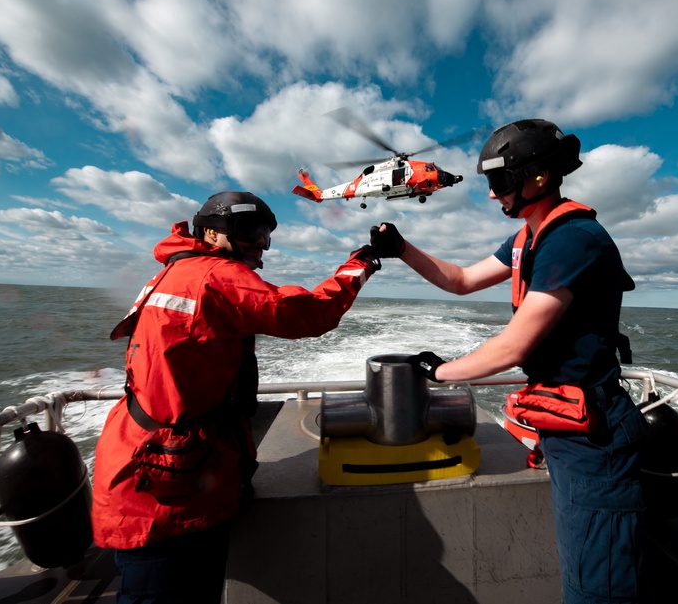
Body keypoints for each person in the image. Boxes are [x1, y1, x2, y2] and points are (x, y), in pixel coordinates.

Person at [370, 119, 645, 603]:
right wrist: (401, 249)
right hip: (564, 423)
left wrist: (440, 371)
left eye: (499, 182)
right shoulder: (527, 238)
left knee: (595, 588)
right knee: (583, 572)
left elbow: (516, 346)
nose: (493, 195)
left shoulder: (573, 237)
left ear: (538, 177)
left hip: (594, 435)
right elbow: (460, 279)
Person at [91, 191, 381, 604]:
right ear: (210, 232)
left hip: (147, 462)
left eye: (265, 233)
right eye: (249, 230)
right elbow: (308, 313)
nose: (260, 242)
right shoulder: (214, 276)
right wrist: (363, 261)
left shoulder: (177, 271)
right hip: (166, 494)